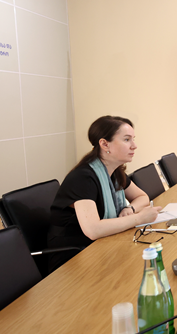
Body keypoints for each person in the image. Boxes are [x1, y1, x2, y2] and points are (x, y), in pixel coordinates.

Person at [48, 116, 162, 272]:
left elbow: (142, 197)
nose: (134, 146)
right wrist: (139, 218)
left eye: (133, 139)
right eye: (127, 139)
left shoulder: (115, 172)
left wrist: (130, 209)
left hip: (102, 246)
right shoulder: (83, 178)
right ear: (104, 144)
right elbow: (93, 230)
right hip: (72, 257)